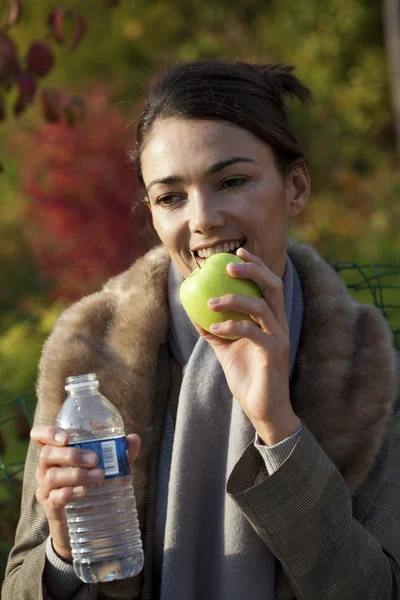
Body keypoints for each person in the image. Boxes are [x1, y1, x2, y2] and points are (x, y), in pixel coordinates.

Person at [3, 60, 400, 600]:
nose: (203, 218)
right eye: (171, 197)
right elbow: (18, 587)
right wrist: (64, 552)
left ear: (297, 187)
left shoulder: (366, 368)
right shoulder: (89, 356)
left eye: (232, 181)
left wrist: (278, 427)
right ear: (152, 212)